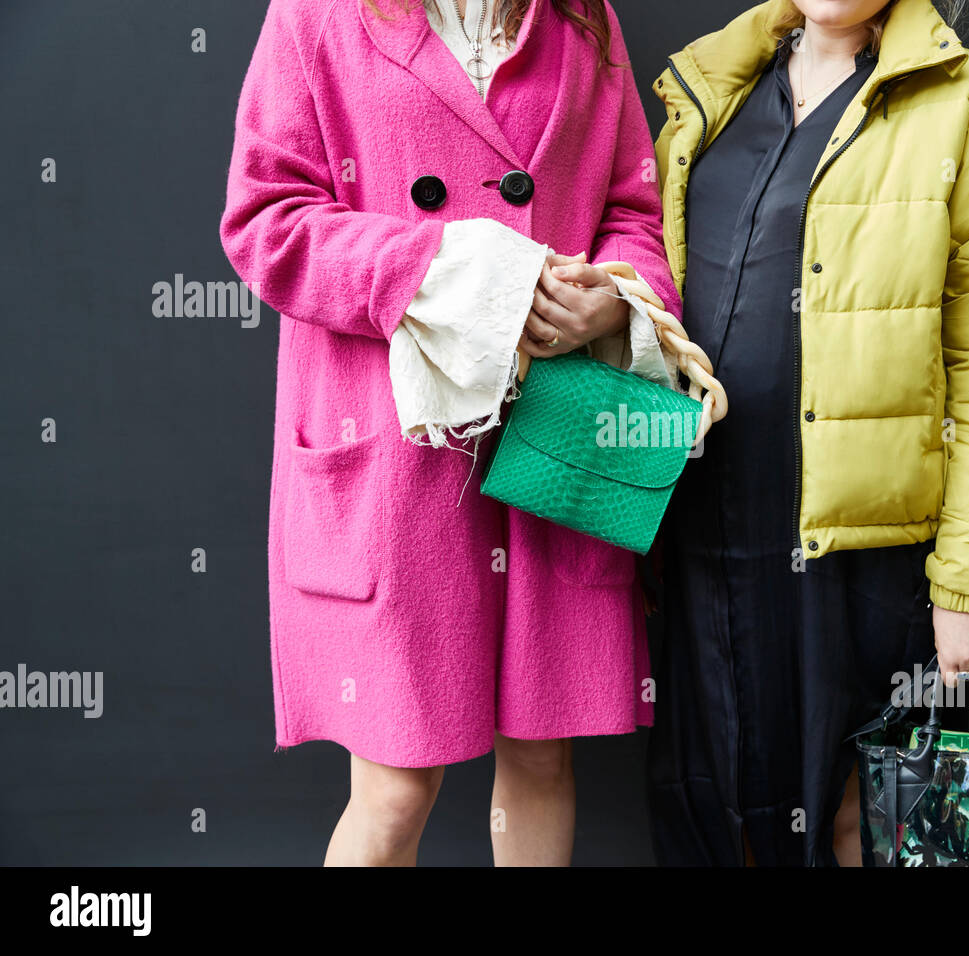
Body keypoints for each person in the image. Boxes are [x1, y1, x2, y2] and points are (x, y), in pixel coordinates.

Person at [219, 0, 676, 866]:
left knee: (544, 751)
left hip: (555, 435)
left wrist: (613, 297)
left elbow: (633, 210)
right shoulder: (316, 16)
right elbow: (265, 223)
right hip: (400, 450)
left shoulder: (583, 19)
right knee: (395, 785)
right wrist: (452, 272)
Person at [647, 0, 969, 866]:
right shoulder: (711, 87)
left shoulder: (968, 102)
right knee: (713, 800)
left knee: (856, 816)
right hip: (700, 529)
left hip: (864, 550)